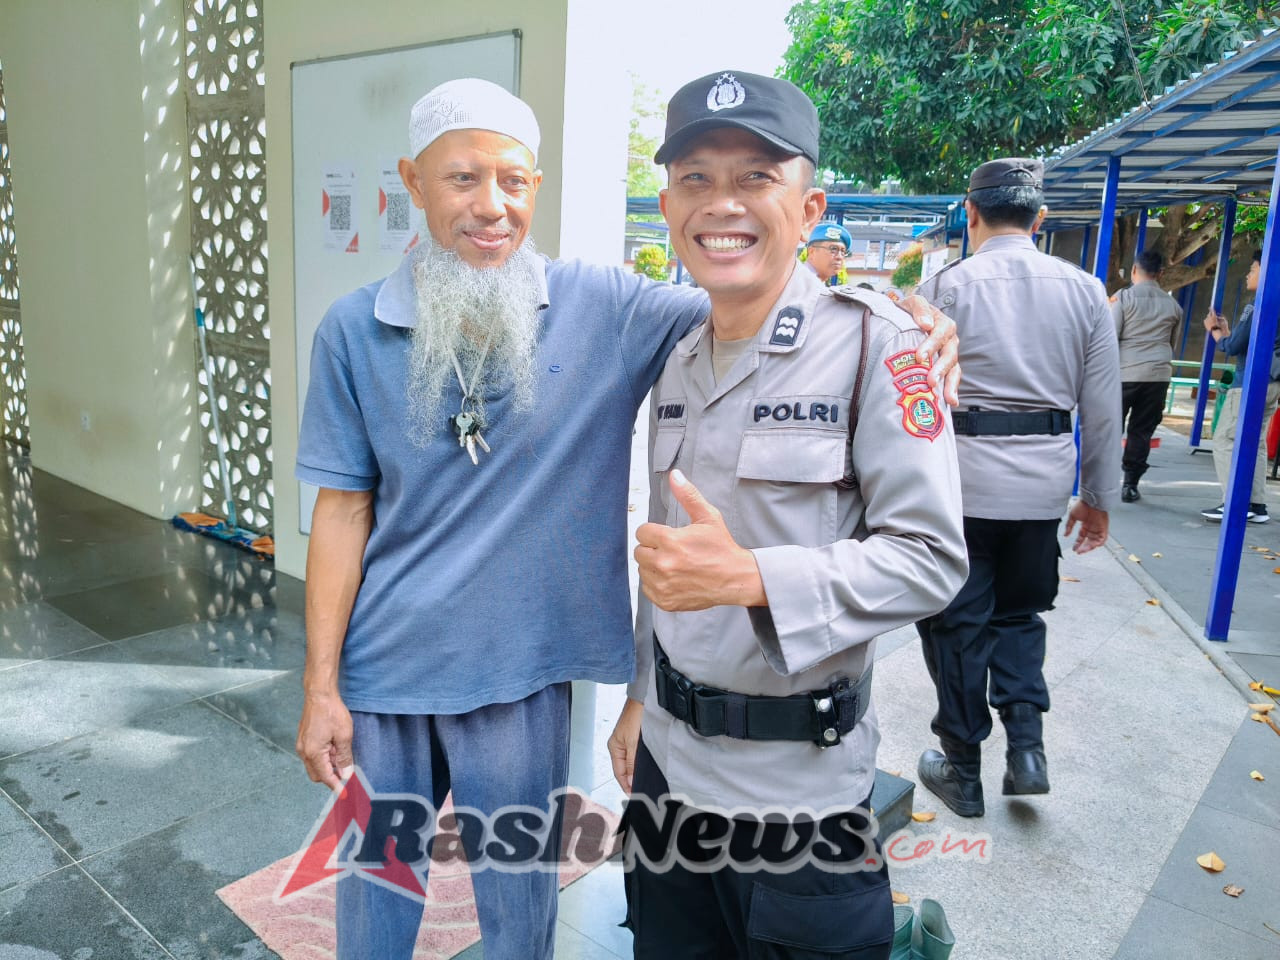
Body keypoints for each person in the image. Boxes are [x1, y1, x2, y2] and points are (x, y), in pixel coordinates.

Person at [294, 77, 959, 960]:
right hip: (385, 676)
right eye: (462, 180)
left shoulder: (607, 310)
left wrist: (915, 318)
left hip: (523, 678)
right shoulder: (351, 329)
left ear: (536, 187)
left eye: (515, 181)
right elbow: (342, 513)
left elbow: (755, 298)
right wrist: (321, 686)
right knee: (376, 894)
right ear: (414, 182)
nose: (491, 206)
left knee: (517, 910)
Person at [607, 70, 968, 958]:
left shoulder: (879, 348)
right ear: (667, 205)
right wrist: (636, 702)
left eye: (755, 177)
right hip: (668, 772)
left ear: (809, 210)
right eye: (696, 177)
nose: (720, 202)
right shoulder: (677, 357)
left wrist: (753, 578)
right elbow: (672, 563)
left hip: (798, 793)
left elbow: (931, 558)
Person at [911, 158, 1121, 818]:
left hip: (961, 488)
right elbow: (1104, 405)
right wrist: (1098, 495)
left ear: (971, 215)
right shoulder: (1087, 290)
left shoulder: (945, 286)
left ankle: (963, 770)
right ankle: (1027, 751)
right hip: (1041, 485)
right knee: (1020, 615)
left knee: (957, 625)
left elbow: (912, 399)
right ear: (1040, 218)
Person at [1200, 250, 1280, 524]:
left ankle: (1234, 502)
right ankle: (1257, 505)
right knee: (1255, 443)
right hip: (1271, 383)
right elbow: (1253, 344)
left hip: (1247, 384)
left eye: (1253, 268)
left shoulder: (1258, 304)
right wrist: (1229, 333)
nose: (1248, 274)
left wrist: (1215, 331)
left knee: (1224, 440)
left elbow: (1233, 348)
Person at [1111, 250, 1183, 502]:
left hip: (1124, 373)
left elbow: (1110, 337)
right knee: (1141, 430)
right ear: (1161, 274)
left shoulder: (1123, 297)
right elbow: (1172, 342)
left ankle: (1104, 479)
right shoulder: (1173, 305)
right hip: (1158, 376)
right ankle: (1130, 484)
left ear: (1133, 270)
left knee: (1111, 426)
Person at [804, 221, 852, 285]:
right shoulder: (798, 281)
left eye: (843, 252)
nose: (839, 257)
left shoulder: (816, 283)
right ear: (812, 252)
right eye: (833, 249)